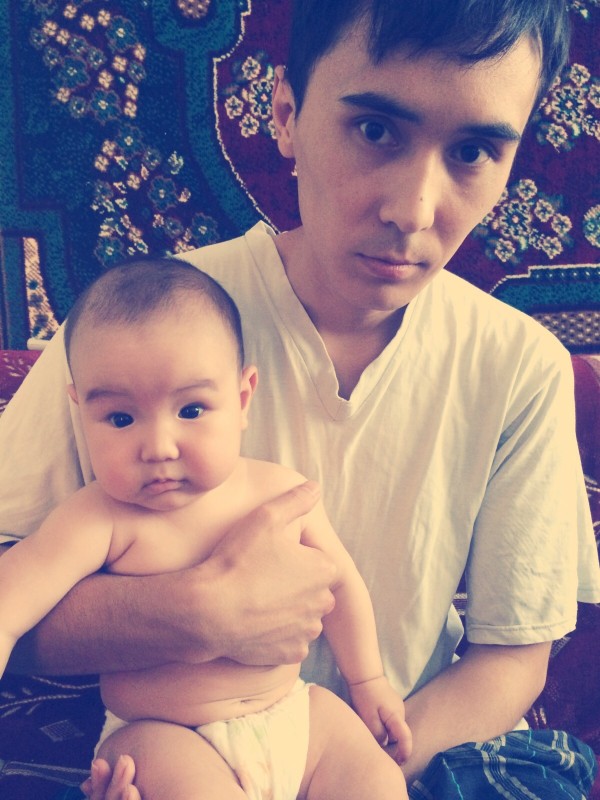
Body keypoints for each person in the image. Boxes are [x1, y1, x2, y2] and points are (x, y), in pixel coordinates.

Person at [1, 0, 599, 798]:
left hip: (400, 750)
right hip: (175, 750)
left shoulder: (521, 366)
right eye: (375, 130)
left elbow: (513, 658)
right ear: (285, 114)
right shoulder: (131, 329)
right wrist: (191, 613)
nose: (413, 210)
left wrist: (351, 766)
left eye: (472, 151)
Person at [0, 257, 411, 799]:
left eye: (191, 410)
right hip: (164, 735)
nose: (159, 447)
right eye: (121, 419)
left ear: (241, 399)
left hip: (292, 711)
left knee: (376, 781)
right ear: (81, 411)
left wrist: (368, 680)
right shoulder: (98, 518)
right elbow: (11, 600)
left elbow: (341, 583)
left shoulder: (281, 494)